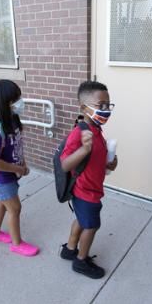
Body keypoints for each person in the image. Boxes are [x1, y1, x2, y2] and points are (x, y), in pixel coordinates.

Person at [59, 81, 118, 279]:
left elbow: (94, 159)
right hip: (86, 192)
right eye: (101, 105)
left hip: (89, 189)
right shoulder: (79, 133)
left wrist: (108, 164)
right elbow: (65, 164)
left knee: (82, 220)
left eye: (108, 105)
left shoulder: (96, 130)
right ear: (84, 107)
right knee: (91, 226)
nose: (106, 110)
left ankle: (69, 249)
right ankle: (81, 261)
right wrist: (84, 149)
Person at [0, 79, 39, 257]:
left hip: (9, 174)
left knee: (2, 203)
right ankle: (17, 244)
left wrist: (22, 163)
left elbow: (14, 145)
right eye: (16, 98)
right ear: (4, 102)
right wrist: (17, 168)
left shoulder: (12, 119)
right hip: (0, 178)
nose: (20, 101)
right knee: (14, 208)